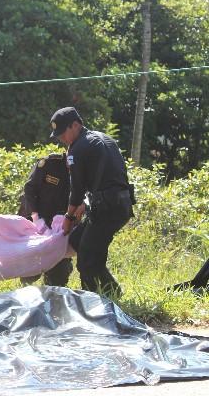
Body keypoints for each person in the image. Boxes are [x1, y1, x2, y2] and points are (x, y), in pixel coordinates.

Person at [50, 107, 133, 298]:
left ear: (76, 125)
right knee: (78, 241)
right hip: (120, 205)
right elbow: (105, 177)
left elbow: (77, 190)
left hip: (106, 209)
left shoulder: (77, 149)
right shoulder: (104, 139)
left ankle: (97, 304)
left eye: (63, 132)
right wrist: (84, 206)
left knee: (86, 262)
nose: (61, 138)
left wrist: (68, 218)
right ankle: (112, 294)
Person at [18, 152, 74, 287]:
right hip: (36, 218)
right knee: (29, 272)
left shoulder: (83, 171)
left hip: (60, 225)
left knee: (57, 279)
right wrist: (36, 218)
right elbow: (29, 189)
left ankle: (52, 286)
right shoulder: (49, 163)